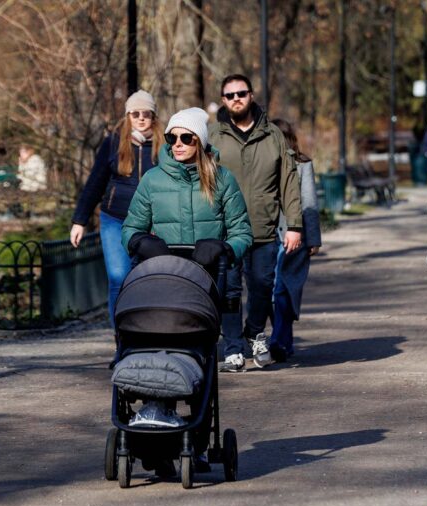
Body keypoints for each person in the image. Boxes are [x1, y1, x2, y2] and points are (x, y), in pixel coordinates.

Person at [121, 107, 253, 425]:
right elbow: (130, 227)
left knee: (198, 354)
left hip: (204, 285)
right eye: (172, 137)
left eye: (186, 138)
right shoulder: (152, 180)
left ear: (201, 143)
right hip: (163, 279)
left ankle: (197, 427)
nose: (177, 143)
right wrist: (141, 242)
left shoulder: (222, 180)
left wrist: (224, 248)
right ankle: (153, 409)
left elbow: (242, 232)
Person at [208, 74, 303, 372]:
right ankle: (234, 348)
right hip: (226, 230)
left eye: (241, 93)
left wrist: (295, 225)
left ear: (251, 95)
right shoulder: (214, 137)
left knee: (263, 285)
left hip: (263, 226)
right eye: (230, 95)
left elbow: (288, 181)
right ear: (223, 100)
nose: (236, 99)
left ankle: (254, 331)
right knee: (230, 290)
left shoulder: (272, 134)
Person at [69, 90, 164, 326]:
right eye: (135, 114)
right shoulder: (113, 143)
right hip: (115, 220)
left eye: (146, 113)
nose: (141, 118)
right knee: (119, 278)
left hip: (152, 223)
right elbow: (95, 182)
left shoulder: (167, 144)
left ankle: (148, 333)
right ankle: (121, 339)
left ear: (153, 116)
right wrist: (79, 220)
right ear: (127, 116)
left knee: (150, 279)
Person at [268, 119, 322, 362]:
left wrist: (313, 238)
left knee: (284, 288)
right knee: (274, 290)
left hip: (294, 233)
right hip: (268, 234)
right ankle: (283, 341)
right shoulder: (264, 162)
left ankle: (279, 340)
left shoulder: (302, 165)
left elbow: (309, 203)